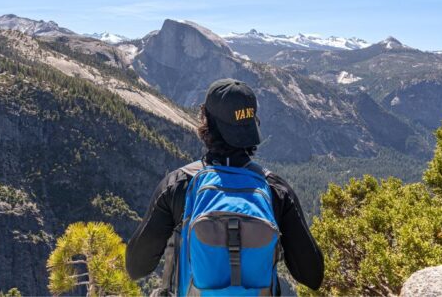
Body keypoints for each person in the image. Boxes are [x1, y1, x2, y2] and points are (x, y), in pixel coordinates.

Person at [126, 78, 324, 296]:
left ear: (206, 124)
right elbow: (312, 275)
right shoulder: (275, 190)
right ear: (252, 125)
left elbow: (136, 266)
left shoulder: (178, 185)